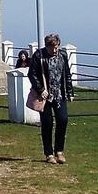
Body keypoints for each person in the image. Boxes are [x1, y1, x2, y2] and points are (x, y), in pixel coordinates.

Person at [29, 33, 74, 164]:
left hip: (60, 94)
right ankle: (49, 153)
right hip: (45, 96)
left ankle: (59, 151)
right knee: (47, 123)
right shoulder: (39, 55)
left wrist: (70, 92)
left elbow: (67, 74)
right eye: (52, 48)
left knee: (63, 119)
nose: (54, 50)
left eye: (56, 47)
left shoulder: (63, 55)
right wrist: (40, 89)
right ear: (47, 46)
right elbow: (32, 74)